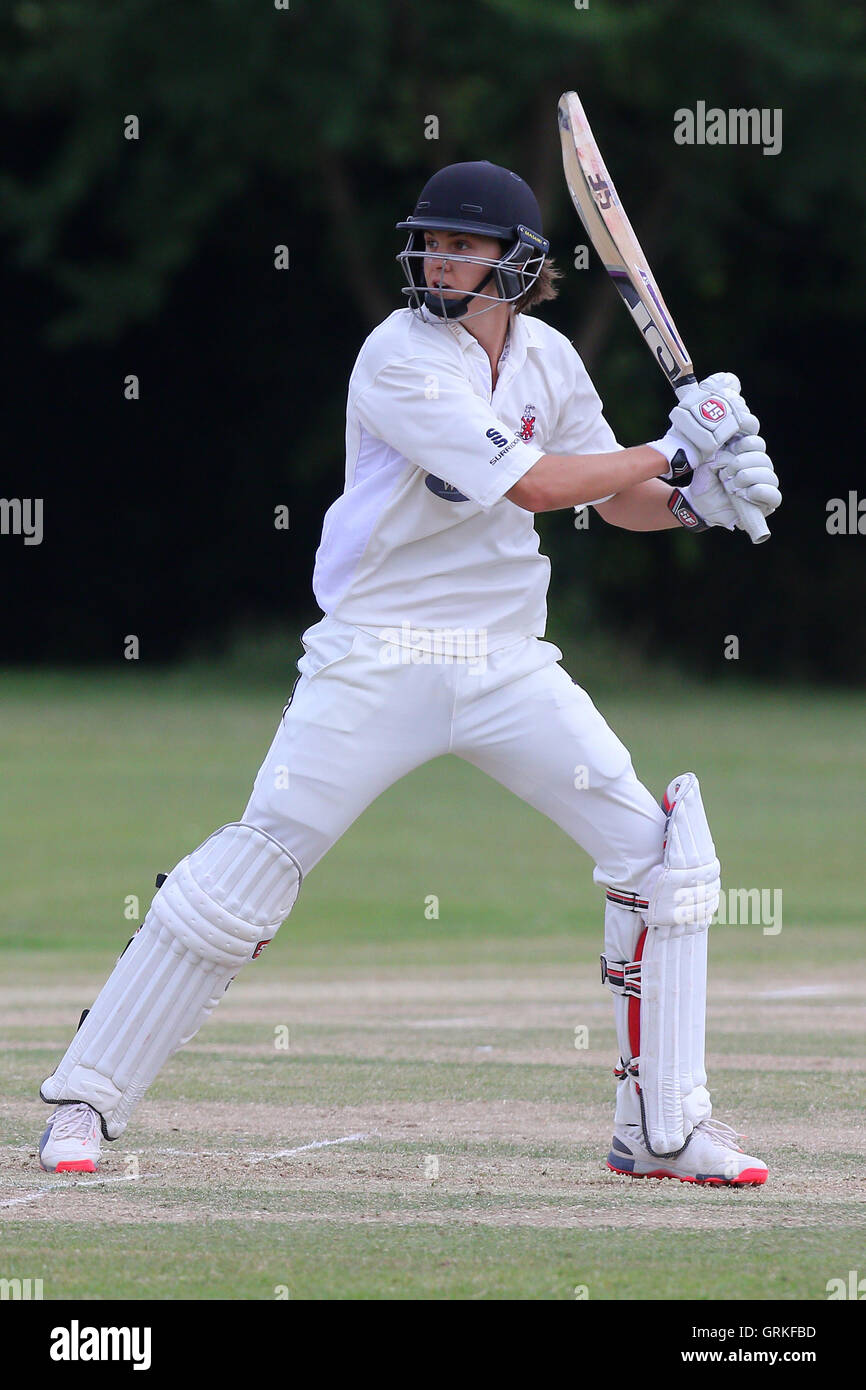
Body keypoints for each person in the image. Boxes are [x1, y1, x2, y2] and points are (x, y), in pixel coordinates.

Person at [38, 161, 780, 1184]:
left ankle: (660, 1128)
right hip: (378, 651)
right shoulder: (397, 356)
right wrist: (673, 448)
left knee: (658, 858)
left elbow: (605, 500)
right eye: (431, 240)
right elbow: (535, 485)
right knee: (247, 875)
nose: (439, 257)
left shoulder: (549, 358)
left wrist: (698, 497)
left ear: (515, 264)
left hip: (506, 660)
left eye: (463, 245)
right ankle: (84, 1100)